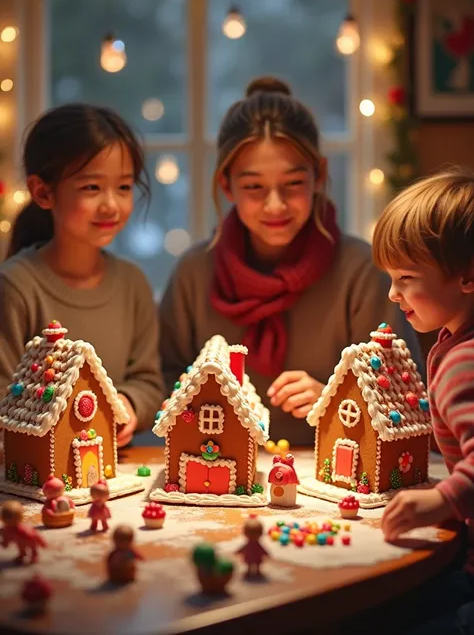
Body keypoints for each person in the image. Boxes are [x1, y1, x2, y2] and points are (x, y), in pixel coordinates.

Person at [159, 76, 422, 445]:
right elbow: (164, 385)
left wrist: (334, 402)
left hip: (333, 474)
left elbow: (405, 400)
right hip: (217, 468)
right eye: (253, 187)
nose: (275, 205)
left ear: (320, 176)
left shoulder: (362, 271)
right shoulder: (193, 273)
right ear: (225, 185)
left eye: (293, 184)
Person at [0, 103, 164, 446]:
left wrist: (128, 405)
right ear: (43, 192)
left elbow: (149, 382)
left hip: (113, 478)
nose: (111, 205)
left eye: (123, 187)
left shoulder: (132, 284)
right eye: (92, 188)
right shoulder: (16, 286)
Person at [371, 167, 474, 634]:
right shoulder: (453, 344)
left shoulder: (463, 363)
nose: (394, 294)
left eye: (407, 277)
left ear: (467, 276)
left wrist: (441, 502)